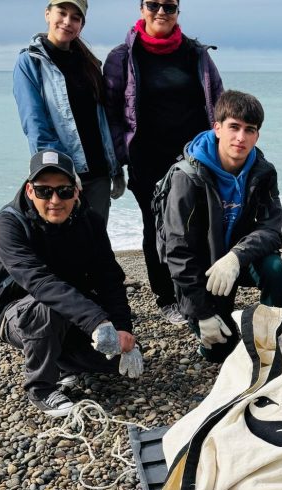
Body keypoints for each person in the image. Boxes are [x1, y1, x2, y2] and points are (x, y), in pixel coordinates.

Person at [0, 150, 143, 417]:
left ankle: (63, 362)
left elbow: (109, 277)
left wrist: (122, 329)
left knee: (113, 363)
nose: (55, 200)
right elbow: (40, 283)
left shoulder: (89, 221)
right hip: (18, 312)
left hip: (71, 308)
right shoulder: (8, 225)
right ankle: (41, 388)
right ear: (30, 190)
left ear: (76, 192)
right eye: (45, 191)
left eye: (64, 191)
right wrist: (97, 322)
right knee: (45, 309)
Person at [104, 0, 223, 325]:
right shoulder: (122, 58)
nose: (161, 12)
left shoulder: (196, 54)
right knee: (156, 228)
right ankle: (166, 298)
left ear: (177, 12)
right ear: (142, 9)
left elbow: (218, 101)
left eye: (168, 6)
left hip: (193, 159)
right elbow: (112, 112)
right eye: (153, 4)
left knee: (196, 225)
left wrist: (220, 147)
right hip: (147, 159)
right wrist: (121, 154)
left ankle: (194, 293)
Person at [159, 90, 282, 363]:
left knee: (276, 269)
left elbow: (272, 230)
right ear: (217, 128)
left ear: (257, 135)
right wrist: (202, 313)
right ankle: (207, 331)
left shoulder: (263, 172)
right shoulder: (187, 177)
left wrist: (236, 256)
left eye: (249, 130)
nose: (241, 138)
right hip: (200, 267)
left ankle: (270, 338)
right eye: (233, 127)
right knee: (219, 352)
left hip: (235, 261)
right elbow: (177, 252)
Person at [13, 0, 122, 226]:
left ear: (82, 24)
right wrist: (65, 174)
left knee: (95, 244)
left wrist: (115, 168)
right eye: (61, 13)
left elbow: (101, 122)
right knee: (61, 247)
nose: (67, 22)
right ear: (47, 14)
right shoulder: (30, 62)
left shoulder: (89, 63)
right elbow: (35, 125)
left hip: (98, 174)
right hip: (61, 180)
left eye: (75, 17)